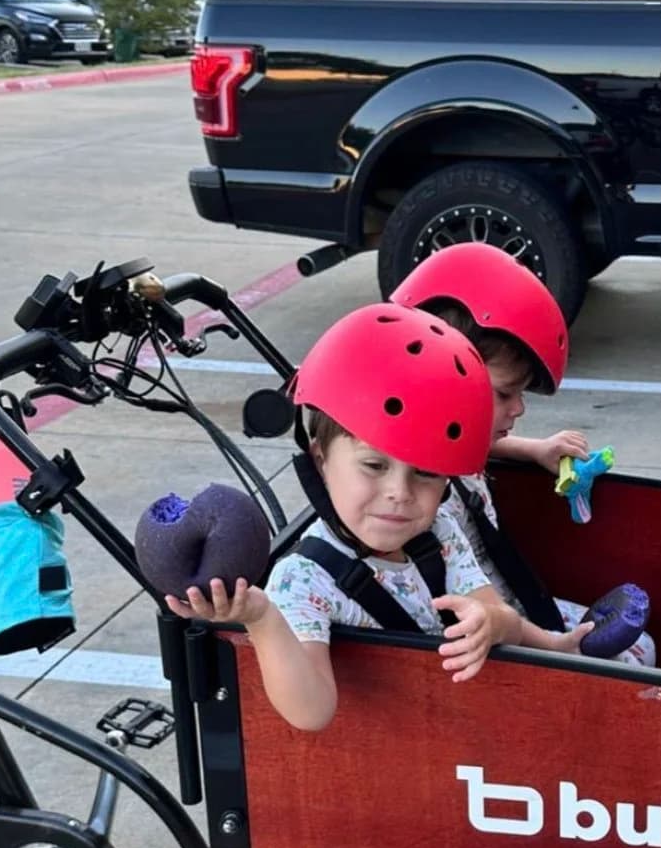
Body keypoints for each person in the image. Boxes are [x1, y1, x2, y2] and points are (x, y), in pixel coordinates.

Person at [165, 302, 589, 729]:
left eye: (425, 473)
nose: (399, 494)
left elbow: (499, 613)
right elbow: (312, 712)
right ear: (321, 460)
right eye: (374, 466)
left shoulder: (440, 532)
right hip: (420, 740)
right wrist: (262, 619)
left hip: (472, 722)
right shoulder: (304, 580)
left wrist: (502, 626)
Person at [393, 242, 657, 665]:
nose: (519, 409)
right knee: (632, 662)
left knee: (641, 647)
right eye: (504, 393)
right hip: (493, 637)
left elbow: (474, 447)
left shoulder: (449, 450)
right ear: (438, 381)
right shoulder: (412, 498)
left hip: (513, 605)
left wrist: (533, 449)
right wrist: (554, 645)